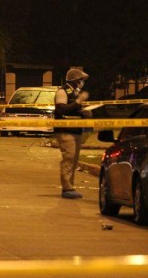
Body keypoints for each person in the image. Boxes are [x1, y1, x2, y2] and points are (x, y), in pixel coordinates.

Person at [54, 68, 91, 199]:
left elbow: (74, 110)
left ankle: (71, 185)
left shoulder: (75, 93)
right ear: (75, 80)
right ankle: (67, 188)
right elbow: (61, 109)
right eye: (81, 80)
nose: (82, 82)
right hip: (65, 130)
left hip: (76, 130)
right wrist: (77, 102)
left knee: (74, 159)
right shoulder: (62, 91)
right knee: (69, 157)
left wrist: (84, 112)